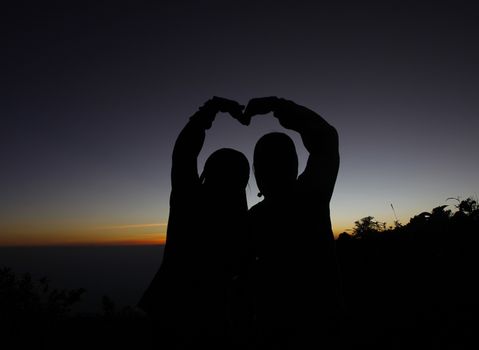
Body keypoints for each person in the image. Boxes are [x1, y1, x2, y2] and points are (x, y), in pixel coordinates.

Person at [138, 97, 251, 349]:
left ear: (207, 173)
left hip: (169, 311)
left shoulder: (188, 199)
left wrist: (211, 109)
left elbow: (184, 151)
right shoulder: (245, 223)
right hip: (218, 321)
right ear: (243, 181)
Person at [243, 97, 343, 349]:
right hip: (322, 324)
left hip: (274, 330)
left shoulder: (254, 218)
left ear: (256, 171)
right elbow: (326, 140)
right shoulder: (311, 197)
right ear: (295, 164)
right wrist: (277, 105)